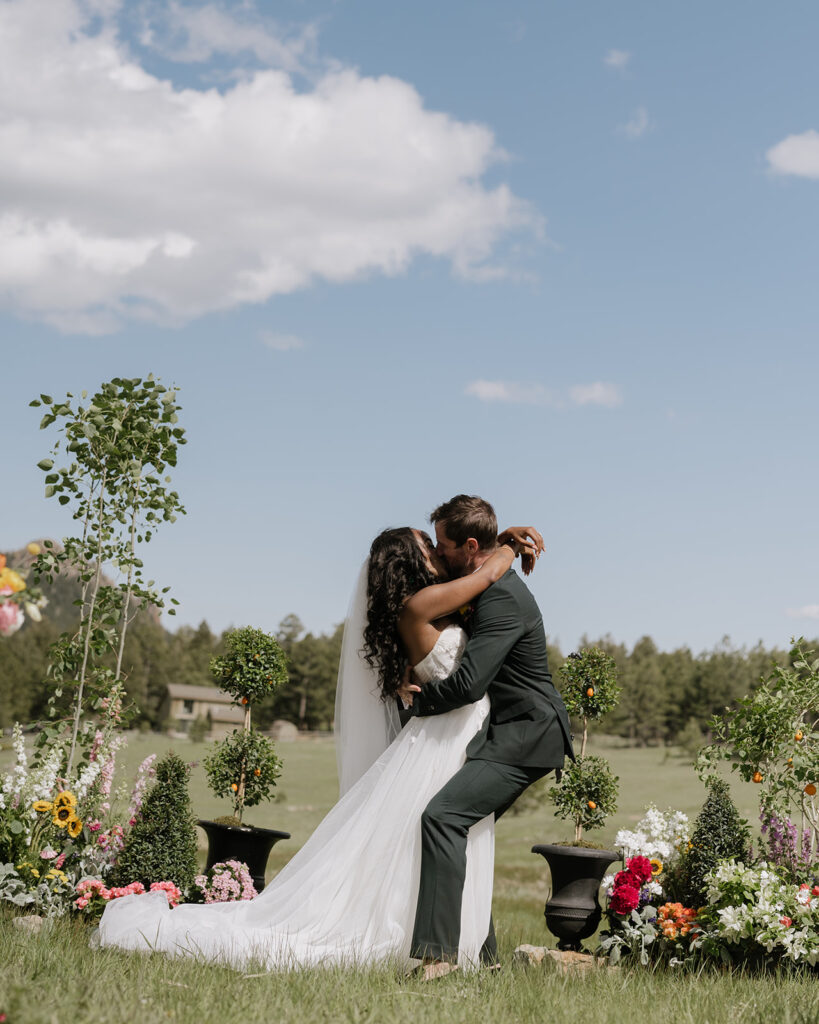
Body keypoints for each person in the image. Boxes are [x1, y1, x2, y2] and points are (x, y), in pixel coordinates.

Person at [97, 521, 541, 971]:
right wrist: (504, 545)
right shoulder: (421, 605)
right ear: (410, 562)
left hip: (457, 735)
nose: (436, 551)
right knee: (444, 828)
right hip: (445, 735)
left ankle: (465, 948)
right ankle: (438, 948)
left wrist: (496, 539)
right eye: (428, 545)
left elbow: (476, 578)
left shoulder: (439, 601)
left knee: (437, 836)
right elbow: (484, 575)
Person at [397, 495, 574, 980]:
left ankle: (437, 959)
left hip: (526, 735)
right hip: (511, 732)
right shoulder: (490, 579)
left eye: (443, 545)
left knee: (444, 816)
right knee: (467, 833)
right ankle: (485, 956)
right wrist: (505, 544)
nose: (436, 552)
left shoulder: (500, 599)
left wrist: (416, 702)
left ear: (469, 546)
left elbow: (470, 684)